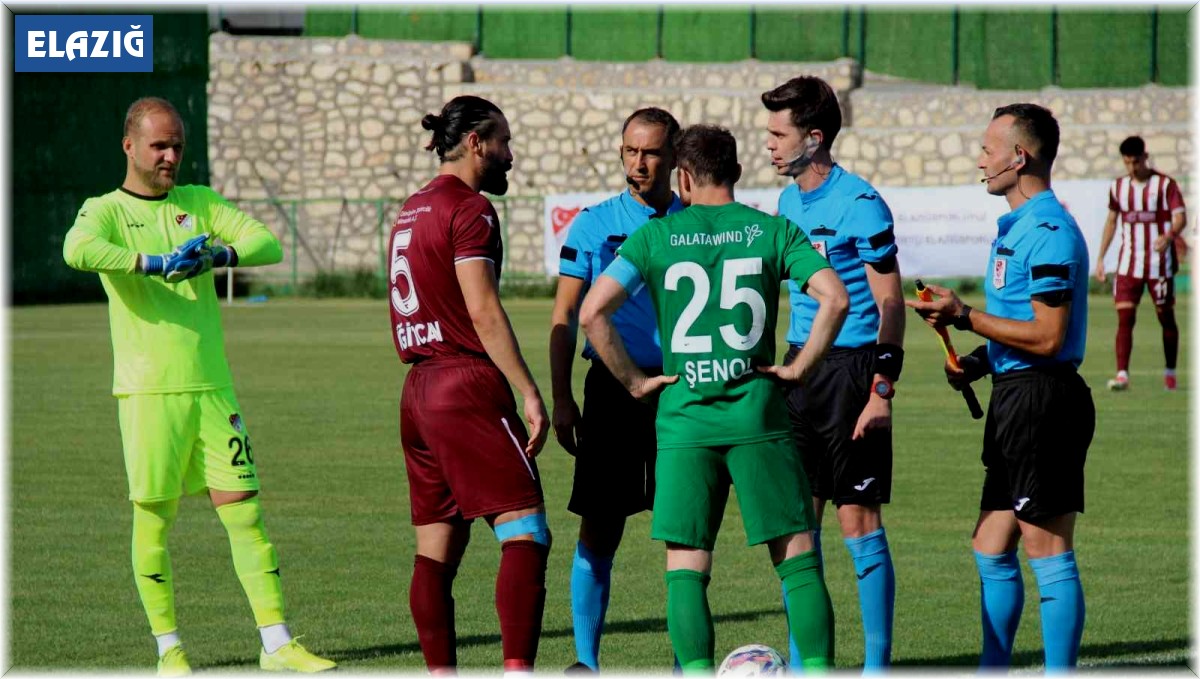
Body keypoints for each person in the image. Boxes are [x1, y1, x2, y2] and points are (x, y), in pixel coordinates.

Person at [62, 97, 336, 676]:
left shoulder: (199, 203)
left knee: (246, 514)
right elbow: (77, 249)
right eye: (159, 145)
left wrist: (219, 253)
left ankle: (277, 644)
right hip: (147, 393)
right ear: (129, 146)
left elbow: (268, 242)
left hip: (213, 389)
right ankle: (170, 650)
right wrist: (155, 264)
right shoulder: (104, 209)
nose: (170, 156)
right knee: (154, 519)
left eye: (178, 146)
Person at [579, 124, 848, 673]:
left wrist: (634, 383)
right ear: (738, 172)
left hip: (685, 422)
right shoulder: (773, 231)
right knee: (797, 561)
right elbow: (835, 299)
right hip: (758, 417)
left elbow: (591, 313)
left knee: (686, 566)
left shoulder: (655, 238)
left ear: (682, 176)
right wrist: (798, 367)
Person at [907, 103, 1093, 670]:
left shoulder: (1050, 230)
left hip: (1045, 400)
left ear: (1020, 156)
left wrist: (965, 315)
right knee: (991, 544)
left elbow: (1050, 336)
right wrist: (979, 362)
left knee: (1047, 549)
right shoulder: (1014, 228)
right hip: (1014, 397)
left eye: (989, 149)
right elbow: (1019, 331)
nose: (980, 160)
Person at [389, 95, 551, 677]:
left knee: (437, 551)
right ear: (477, 141)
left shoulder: (411, 209)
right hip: (465, 385)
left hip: (418, 392)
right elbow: (482, 310)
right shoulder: (471, 208)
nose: (510, 155)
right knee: (526, 530)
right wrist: (529, 392)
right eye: (503, 142)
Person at [761, 75, 905, 670]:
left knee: (858, 520)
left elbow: (891, 303)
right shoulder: (788, 202)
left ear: (814, 138)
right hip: (801, 369)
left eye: (778, 133)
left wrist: (882, 388)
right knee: (801, 523)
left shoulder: (862, 203)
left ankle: (875, 666)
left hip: (852, 372)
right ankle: (806, 663)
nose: (767, 144)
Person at [549, 107, 683, 673]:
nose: (638, 163)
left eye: (650, 152)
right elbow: (564, 312)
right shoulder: (594, 224)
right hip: (611, 389)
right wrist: (561, 398)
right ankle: (586, 662)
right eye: (629, 151)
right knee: (601, 526)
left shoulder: (696, 223)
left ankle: (688, 662)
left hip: (681, 390)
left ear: (674, 155)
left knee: (685, 529)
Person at [1093, 135, 1187, 392]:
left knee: (1166, 318)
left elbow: (1181, 218)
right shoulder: (1118, 187)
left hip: (1160, 265)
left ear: (1145, 157)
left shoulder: (1165, 185)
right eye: (1127, 163)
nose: (1132, 168)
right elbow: (1112, 221)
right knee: (1125, 317)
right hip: (1128, 264)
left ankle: (1170, 372)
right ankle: (1122, 374)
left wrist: (1168, 236)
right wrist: (1101, 257)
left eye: (1136, 162)